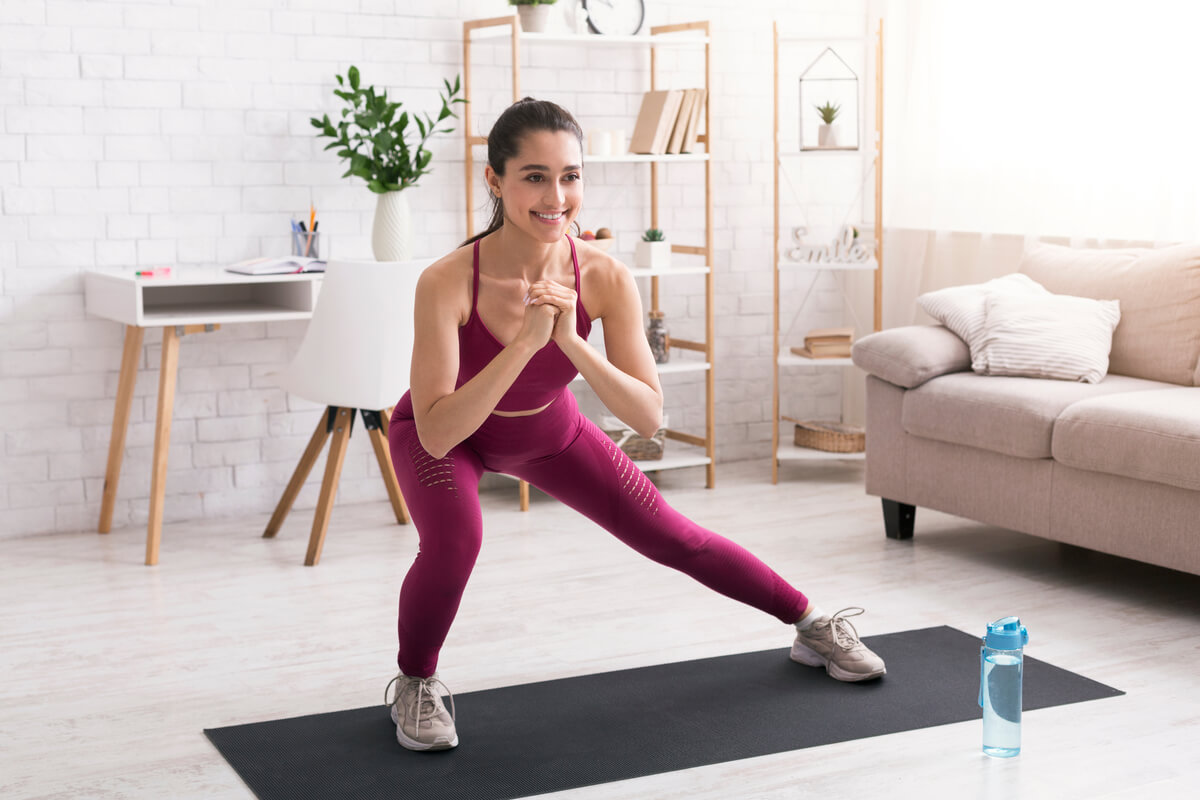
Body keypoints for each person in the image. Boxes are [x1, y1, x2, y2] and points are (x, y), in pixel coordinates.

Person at [384, 98, 886, 752]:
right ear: (494, 180)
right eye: (534, 176)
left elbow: (648, 416)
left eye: (571, 176)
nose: (556, 196)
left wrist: (570, 342)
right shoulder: (447, 281)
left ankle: (812, 624)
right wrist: (522, 345)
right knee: (456, 541)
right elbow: (439, 431)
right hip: (446, 433)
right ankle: (415, 683)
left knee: (674, 537)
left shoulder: (605, 277)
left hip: (549, 432)